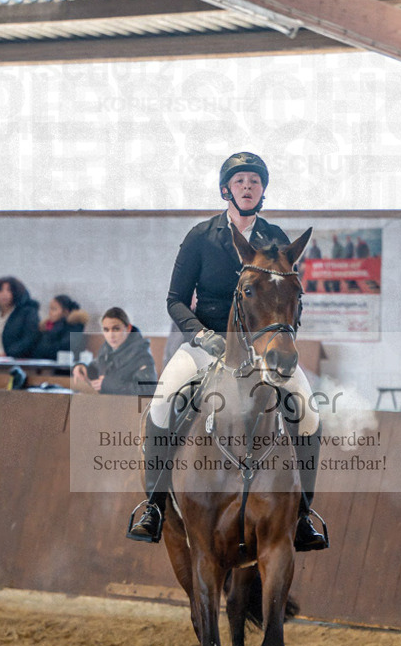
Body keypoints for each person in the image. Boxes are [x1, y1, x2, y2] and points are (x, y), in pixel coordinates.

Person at [127, 151, 328, 551]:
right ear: (226, 190)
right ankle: (154, 504)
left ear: (263, 190)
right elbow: (175, 300)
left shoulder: (275, 240)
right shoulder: (201, 237)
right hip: (206, 343)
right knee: (163, 403)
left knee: (307, 409)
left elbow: (289, 297)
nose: (248, 187)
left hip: (261, 349)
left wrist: (280, 337)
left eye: (254, 181)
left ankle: (303, 514)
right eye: (240, 181)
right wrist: (201, 335)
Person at [72, 307, 156, 396]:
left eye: (116, 329)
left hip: (130, 408)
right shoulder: (106, 350)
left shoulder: (141, 355)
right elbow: (96, 368)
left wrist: (108, 385)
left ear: (128, 329)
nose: (111, 335)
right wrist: (82, 367)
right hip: (108, 405)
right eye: (106, 330)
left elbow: (149, 390)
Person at [33, 294, 89, 362]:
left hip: (65, 367)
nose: (50, 312)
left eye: (54, 309)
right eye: (50, 308)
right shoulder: (47, 326)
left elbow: (64, 347)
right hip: (47, 364)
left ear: (65, 312)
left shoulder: (75, 325)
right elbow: (38, 349)